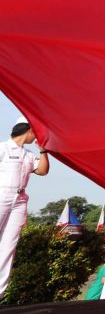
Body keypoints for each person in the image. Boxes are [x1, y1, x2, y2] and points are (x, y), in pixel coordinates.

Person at [0, 116, 49, 297]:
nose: (36, 137)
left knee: (8, 246)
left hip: (19, 199)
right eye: (35, 132)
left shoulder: (28, 154)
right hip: (2, 194)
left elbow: (42, 170)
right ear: (28, 130)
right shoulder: (3, 148)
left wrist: (43, 150)